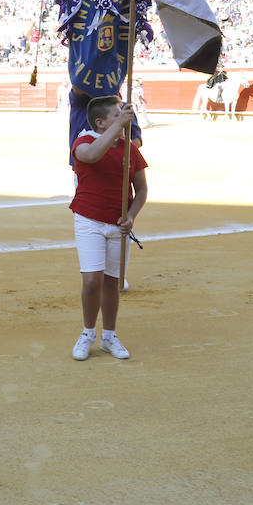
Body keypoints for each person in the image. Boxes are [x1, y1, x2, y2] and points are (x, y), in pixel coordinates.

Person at [69, 96, 148, 361]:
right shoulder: (83, 142)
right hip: (89, 219)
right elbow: (91, 156)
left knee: (112, 283)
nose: (123, 117)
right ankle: (88, 332)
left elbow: (142, 190)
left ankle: (109, 336)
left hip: (118, 223)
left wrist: (132, 216)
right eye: (117, 115)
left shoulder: (130, 150)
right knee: (92, 281)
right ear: (100, 123)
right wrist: (120, 127)